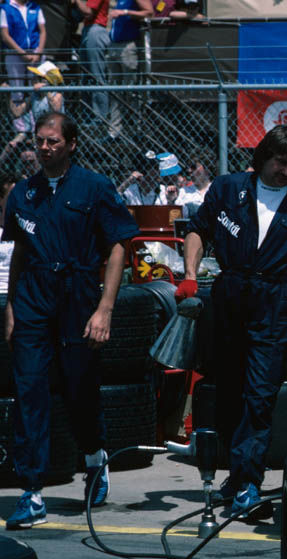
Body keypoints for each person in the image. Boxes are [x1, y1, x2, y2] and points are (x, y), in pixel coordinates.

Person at [176, 125, 287, 519]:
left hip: (274, 299)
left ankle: (248, 483)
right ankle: (234, 473)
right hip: (228, 294)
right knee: (228, 390)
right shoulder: (227, 189)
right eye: (281, 161)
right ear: (263, 156)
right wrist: (190, 276)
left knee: (260, 395)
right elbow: (197, 230)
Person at [3, 111, 138, 529]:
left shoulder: (95, 188)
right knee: (30, 392)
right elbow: (19, 251)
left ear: (71, 144)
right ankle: (33, 491)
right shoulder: (22, 194)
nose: (44, 149)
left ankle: (95, 459)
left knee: (80, 387)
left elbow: (118, 246)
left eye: (53, 142)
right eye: (40, 141)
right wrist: (10, 306)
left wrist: (105, 309)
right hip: (32, 297)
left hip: (79, 295)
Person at [106, 0, 151, 139]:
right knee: (114, 91)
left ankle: (137, 129)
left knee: (131, 90)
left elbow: (149, 12)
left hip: (128, 47)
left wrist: (125, 12)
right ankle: (114, 131)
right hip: (115, 45)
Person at [0, 0, 45, 102]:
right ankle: (18, 117)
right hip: (14, 54)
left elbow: (43, 31)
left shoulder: (35, 7)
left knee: (37, 87)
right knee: (17, 91)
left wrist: (39, 52)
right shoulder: (5, 8)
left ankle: (37, 114)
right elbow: (5, 36)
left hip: (35, 54)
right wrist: (22, 53)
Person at [74, 0, 110, 128]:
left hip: (95, 31)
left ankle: (100, 118)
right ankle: (88, 117)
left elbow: (88, 11)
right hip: (88, 29)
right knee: (86, 77)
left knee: (96, 76)